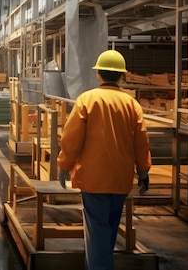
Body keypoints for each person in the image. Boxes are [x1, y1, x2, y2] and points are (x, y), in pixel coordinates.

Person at [57, 49, 151, 270]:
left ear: (98, 74)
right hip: (121, 178)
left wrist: (63, 165)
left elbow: (72, 139)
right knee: (108, 227)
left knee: (97, 229)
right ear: (122, 76)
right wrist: (144, 171)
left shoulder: (87, 100)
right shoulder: (132, 105)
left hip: (93, 178)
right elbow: (141, 142)